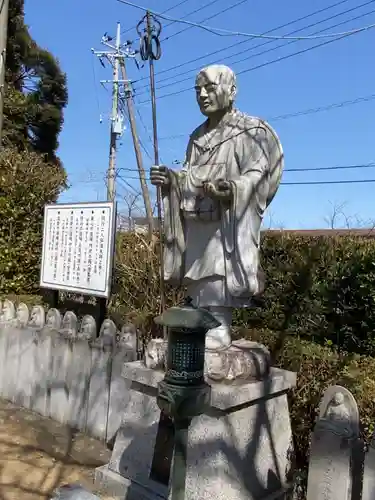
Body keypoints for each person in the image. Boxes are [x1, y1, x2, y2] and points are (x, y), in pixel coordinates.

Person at [150, 64, 284, 350]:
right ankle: (201, 320)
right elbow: (188, 175)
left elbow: (257, 173)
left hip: (227, 221)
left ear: (231, 91)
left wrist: (233, 189)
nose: (202, 94)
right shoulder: (197, 137)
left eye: (210, 88)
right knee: (197, 270)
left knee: (218, 269)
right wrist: (171, 179)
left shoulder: (250, 131)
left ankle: (220, 324)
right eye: (198, 89)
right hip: (198, 218)